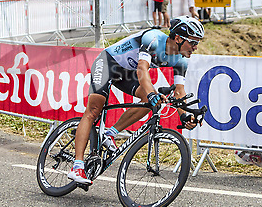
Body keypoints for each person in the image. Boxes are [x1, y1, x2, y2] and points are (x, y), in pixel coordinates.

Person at [68, 16, 205, 184]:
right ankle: (77, 166)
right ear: (178, 38)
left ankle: (110, 133)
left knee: (153, 102)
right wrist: (151, 94)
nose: (195, 47)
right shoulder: (153, 39)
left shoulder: (182, 60)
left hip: (126, 74)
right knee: (94, 111)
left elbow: (179, 90)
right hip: (108, 64)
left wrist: (184, 115)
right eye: (193, 42)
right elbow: (142, 69)